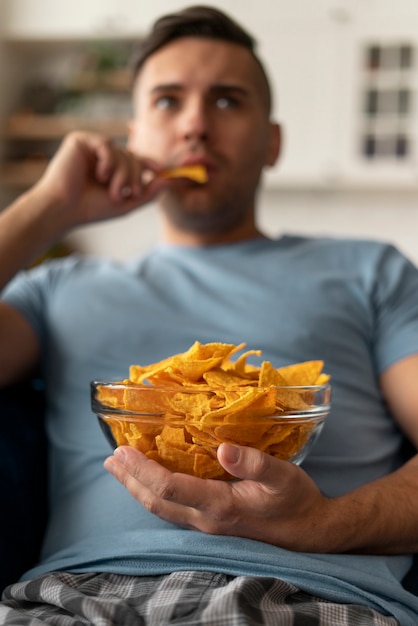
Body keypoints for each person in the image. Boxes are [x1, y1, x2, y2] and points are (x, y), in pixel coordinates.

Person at [0, 5, 418, 625]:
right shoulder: (58, 287)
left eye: (227, 101)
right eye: (168, 101)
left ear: (272, 141)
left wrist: (322, 524)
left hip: (308, 597)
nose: (195, 124)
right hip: (80, 600)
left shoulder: (370, 272)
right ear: (133, 134)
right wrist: (48, 207)